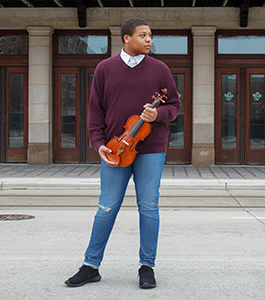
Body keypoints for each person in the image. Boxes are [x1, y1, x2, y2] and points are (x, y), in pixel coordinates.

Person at [64, 17, 181, 289]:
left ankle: (147, 266)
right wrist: (98, 143)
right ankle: (91, 266)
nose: (149, 40)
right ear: (127, 38)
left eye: (150, 35)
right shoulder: (105, 68)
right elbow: (95, 111)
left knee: (149, 207)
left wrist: (157, 114)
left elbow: (174, 106)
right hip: (116, 148)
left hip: (151, 150)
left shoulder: (160, 69)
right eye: (143, 35)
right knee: (106, 207)